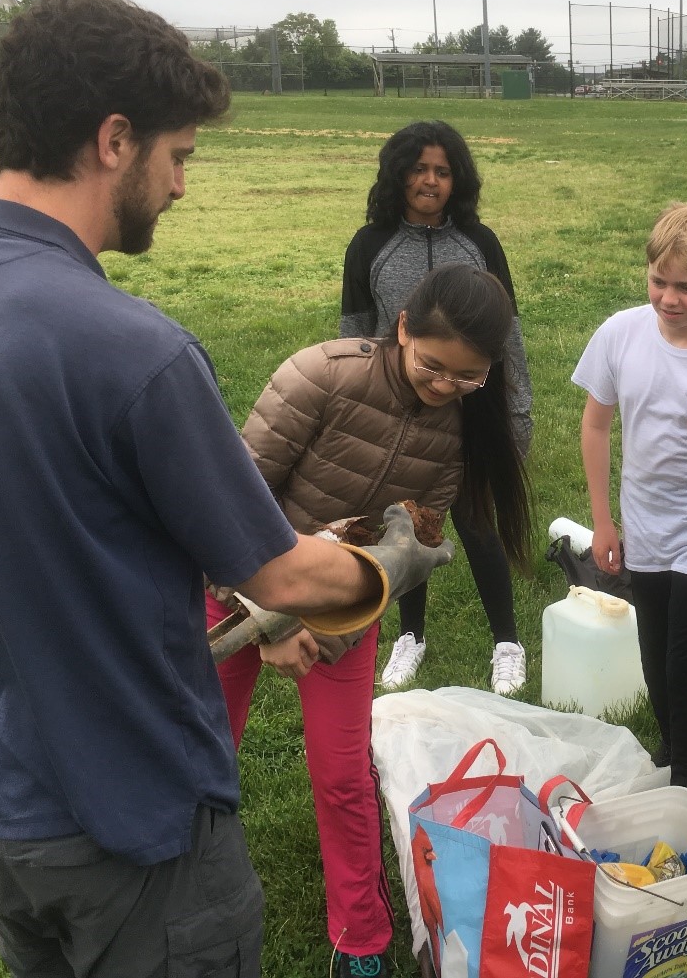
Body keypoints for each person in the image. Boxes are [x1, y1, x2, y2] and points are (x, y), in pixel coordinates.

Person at [0, 0, 447, 978]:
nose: (182, 187)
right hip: (135, 829)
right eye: (180, 156)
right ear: (115, 139)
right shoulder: (133, 352)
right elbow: (280, 578)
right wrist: (385, 561)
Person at [208, 266, 531, 978]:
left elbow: (403, 553)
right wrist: (268, 622)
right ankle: (178, 897)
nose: (446, 387)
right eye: (433, 366)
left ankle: (361, 936)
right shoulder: (317, 376)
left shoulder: (463, 429)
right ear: (404, 326)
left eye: (468, 377)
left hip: (344, 611)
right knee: (198, 753)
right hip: (232, 587)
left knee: (342, 773)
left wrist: (320, 627)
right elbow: (227, 506)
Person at [339, 120, 533, 695]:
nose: (430, 181)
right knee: (407, 524)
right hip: (403, 411)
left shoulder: (481, 242)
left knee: (476, 522)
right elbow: (354, 335)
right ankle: (411, 636)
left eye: (442, 171)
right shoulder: (369, 245)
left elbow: (509, 336)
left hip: (471, 406)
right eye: (419, 169)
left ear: (458, 179)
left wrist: (516, 411)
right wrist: (358, 407)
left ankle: (506, 642)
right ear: (398, 175)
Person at [573, 202, 687, 797]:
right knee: (654, 658)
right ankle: (676, 744)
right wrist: (603, 521)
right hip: (645, 529)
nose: (669, 299)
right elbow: (596, 426)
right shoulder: (621, 333)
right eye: (658, 282)